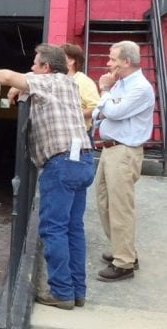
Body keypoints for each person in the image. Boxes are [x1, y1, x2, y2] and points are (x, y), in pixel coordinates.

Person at [0, 43, 94, 310]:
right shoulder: (68, 84)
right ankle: (77, 290)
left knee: (53, 228)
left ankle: (61, 292)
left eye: (34, 64)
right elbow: (20, 84)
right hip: (83, 159)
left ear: (46, 68)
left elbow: (6, 76)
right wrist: (19, 89)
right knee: (74, 228)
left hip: (60, 162)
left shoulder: (49, 82)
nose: (30, 68)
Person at [92, 40, 154, 282]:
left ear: (126, 62)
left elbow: (114, 112)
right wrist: (108, 102)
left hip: (124, 151)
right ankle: (124, 250)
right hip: (110, 149)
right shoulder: (122, 84)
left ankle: (124, 263)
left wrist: (105, 92)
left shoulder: (139, 87)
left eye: (113, 59)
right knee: (104, 202)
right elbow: (100, 112)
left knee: (120, 208)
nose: (108, 63)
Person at [61, 43, 100, 142]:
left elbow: (96, 108)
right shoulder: (59, 80)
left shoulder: (83, 81)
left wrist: (68, 114)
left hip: (78, 138)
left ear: (71, 61)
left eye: (59, 57)